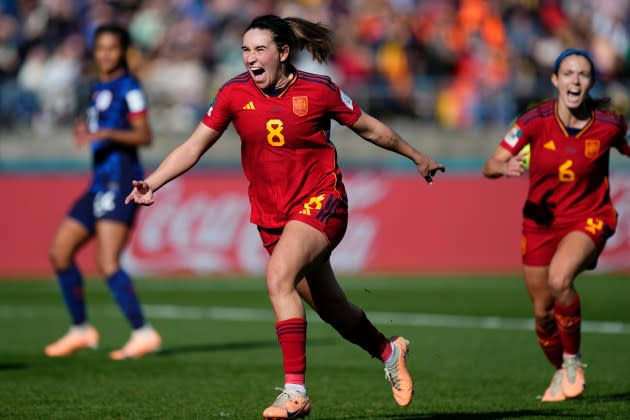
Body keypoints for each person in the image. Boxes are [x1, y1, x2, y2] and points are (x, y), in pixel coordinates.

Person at [126, 14, 444, 419]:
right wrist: (154, 182)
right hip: (272, 215)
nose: (250, 58)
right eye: (245, 49)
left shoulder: (318, 90)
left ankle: (295, 392)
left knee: (278, 278)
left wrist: (415, 155)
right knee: (332, 308)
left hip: (322, 202)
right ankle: (389, 350)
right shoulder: (232, 94)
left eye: (259, 49)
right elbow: (194, 146)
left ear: (282, 52)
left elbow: (369, 128)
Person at [482, 49, 629, 402]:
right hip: (540, 225)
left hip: (588, 218)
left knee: (560, 280)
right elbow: (490, 164)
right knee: (543, 314)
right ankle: (562, 371)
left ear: (591, 82)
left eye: (582, 74)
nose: (575, 81)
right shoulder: (534, 120)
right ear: (555, 80)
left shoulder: (609, 125)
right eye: (568, 73)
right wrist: (504, 168)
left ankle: (573, 360)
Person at [46, 24, 161, 360]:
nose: (105, 54)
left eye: (112, 48)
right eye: (100, 48)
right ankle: (81, 328)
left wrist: (107, 133)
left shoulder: (130, 87)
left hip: (121, 182)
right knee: (60, 252)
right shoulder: (98, 88)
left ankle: (143, 332)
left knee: (107, 262)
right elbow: (100, 129)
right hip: (97, 183)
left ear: (123, 51)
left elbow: (144, 135)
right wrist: (87, 129)